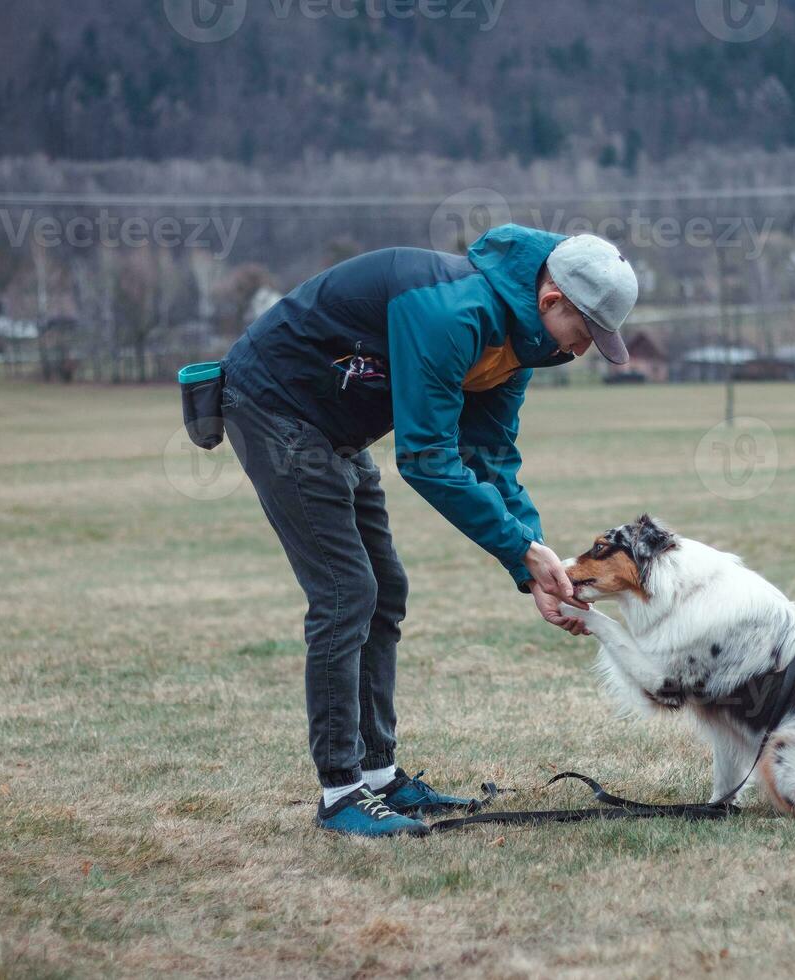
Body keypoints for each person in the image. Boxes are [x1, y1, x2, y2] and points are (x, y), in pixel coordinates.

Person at [219, 226, 638, 837]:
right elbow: (426, 458)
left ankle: (380, 777)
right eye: (585, 334)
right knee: (345, 592)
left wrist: (537, 566)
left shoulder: (520, 346)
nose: (581, 352)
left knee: (384, 591)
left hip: (337, 428)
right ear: (552, 302)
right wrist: (520, 549)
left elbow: (490, 455)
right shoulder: (452, 312)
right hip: (276, 406)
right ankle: (341, 795)